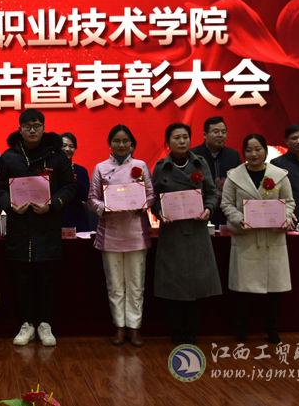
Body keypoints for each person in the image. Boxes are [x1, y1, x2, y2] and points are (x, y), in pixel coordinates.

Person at [0, 109, 76, 347]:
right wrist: (10, 204)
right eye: (27, 126)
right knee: (21, 279)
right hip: (19, 227)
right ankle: (27, 324)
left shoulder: (57, 156)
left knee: (47, 278)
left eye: (37, 126)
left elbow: (70, 187)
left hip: (47, 226)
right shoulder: (9, 157)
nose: (32, 130)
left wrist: (52, 204)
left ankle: (45, 324)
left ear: (43, 128)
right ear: (19, 129)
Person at [152, 122, 222, 345]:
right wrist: (159, 212)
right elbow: (153, 198)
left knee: (195, 283)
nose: (181, 141)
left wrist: (208, 209)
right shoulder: (161, 167)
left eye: (185, 137)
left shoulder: (200, 163)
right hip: (172, 233)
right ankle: (176, 330)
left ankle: (192, 330)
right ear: (168, 142)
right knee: (174, 284)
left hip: (196, 231)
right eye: (176, 138)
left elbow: (212, 193)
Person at [221, 134, 295, 344]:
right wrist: (239, 219)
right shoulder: (234, 176)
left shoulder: (279, 175)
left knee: (274, 291)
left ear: (265, 150)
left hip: (272, 239)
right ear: (243, 152)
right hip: (246, 239)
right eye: (249, 150)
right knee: (243, 292)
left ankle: (272, 329)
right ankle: (241, 330)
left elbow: (289, 201)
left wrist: (285, 217)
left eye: (258, 149)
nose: (254, 154)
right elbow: (226, 204)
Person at [87, 125, 154, 347]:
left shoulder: (140, 166)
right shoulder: (101, 168)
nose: (121, 144)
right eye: (117, 141)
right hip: (111, 233)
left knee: (136, 284)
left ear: (132, 144)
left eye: (125, 141)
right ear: (110, 144)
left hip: (135, 232)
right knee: (115, 285)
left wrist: (141, 205)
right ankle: (119, 327)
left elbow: (151, 195)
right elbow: (92, 198)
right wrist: (104, 208)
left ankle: (134, 328)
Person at [191, 116, 241, 227]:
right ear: (205, 135)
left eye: (223, 132)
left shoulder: (233, 156)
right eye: (216, 131)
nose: (220, 135)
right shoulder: (193, 155)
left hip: (227, 212)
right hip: (201, 211)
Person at [60, 132, 94, 232]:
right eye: (64, 146)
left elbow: (85, 196)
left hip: (77, 218)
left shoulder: (81, 171)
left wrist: (75, 181)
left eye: (71, 146)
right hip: (56, 219)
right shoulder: (50, 170)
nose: (67, 149)